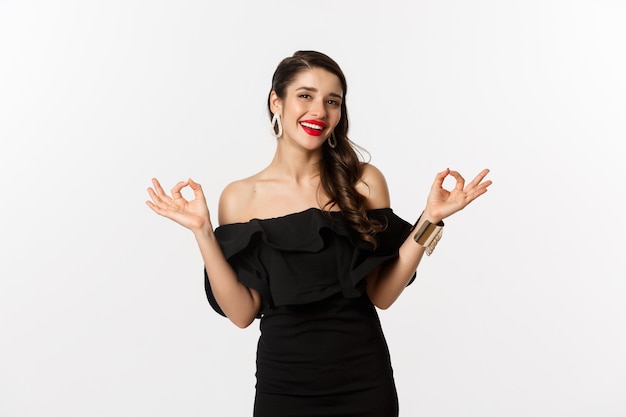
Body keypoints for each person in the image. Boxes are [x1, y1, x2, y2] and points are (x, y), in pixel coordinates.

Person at [146, 50, 492, 417]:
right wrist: (203, 231)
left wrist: (431, 218)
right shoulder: (240, 196)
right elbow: (243, 313)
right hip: (284, 385)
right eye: (305, 96)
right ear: (276, 102)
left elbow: (382, 294)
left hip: (364, 381)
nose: (319, 112)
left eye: (332, 101)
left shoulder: (364, 182)